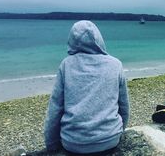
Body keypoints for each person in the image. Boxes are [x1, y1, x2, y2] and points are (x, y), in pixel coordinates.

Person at [44, 20, 130, 155]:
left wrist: (51, 144)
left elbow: (55, 109)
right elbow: (124, 106)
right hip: (110, 139)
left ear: (72, 40)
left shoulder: (67, 65)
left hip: (73, 143)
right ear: (99, 39)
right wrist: (119, 131)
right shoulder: (115, 65)